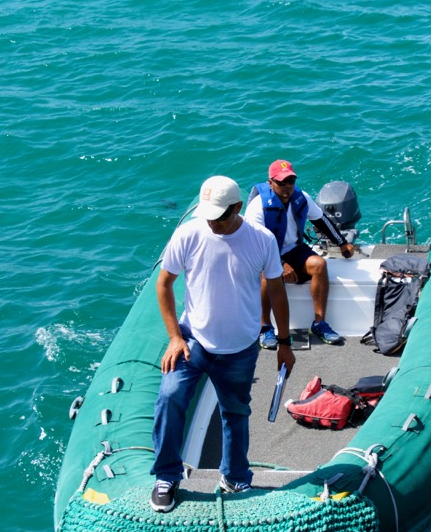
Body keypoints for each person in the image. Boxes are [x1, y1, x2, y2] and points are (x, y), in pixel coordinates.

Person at [149, 175, 297, 513]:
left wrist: (284, 343)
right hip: (193, 341)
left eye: (220, 216)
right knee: (170, 397)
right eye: (208, 215)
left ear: (237, 208)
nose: (213, 222)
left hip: (241, 349)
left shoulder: (261, 240)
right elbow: (164, 284)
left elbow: (276, 291)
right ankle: (166, 476)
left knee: (235, 413)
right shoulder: (188, 234)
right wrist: (174, 337)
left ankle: (234, 477)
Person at [244, 159, 356, 348]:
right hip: (266, 255)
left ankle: (319, 323)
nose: (287, 186)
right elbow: (254, 243)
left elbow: (321, 220)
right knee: (266, 275)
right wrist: (279, 264)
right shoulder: (258, 206)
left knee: (319, 264)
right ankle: (264, 327)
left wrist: (342, 243)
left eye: (291, 181)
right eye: (281, 182)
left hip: (294, 250)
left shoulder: (301, 197)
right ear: (270, 182)